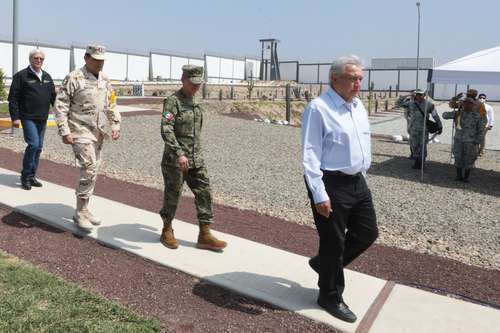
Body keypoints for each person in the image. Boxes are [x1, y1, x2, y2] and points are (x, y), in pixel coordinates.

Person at [301, 55, 378, 323]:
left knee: (368, 233)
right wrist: (319, 194)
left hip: (357, 181)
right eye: (352, 78)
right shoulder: (319, 108)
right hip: (331, 182)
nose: (358, 83)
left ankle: (324, 265)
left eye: (360, 78)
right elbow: (310, 154)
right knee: (334, 243)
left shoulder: (358, 107)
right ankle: (330, 295)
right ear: (335, 79)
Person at [159, 64, 227, 252]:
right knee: (173, 195)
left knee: (204, 192)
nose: (196, 87)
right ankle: (166, 230)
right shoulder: (173, 101)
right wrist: (180, 153)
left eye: (198, 84)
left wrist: (193, 153)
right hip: (176, 160)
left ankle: (205, 234)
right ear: (183, 80)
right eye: (192, 83)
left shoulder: (196, 102)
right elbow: (166, 129)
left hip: (196, 159)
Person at [54, 44, 121, 231]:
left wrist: (115, 124)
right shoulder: (74, 77)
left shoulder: (105, 79)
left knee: (94, 169)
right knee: (89, 167)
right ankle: (80, 211)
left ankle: (84, 207)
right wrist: (64, 131)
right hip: (79, 130)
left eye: (102, 61)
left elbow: (112, 103)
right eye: (96, 60)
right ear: (86, 58)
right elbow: (60, 105)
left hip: (98, 132)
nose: (100, 64)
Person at [8, 49, 56, 190]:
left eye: (41, 58)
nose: (39, 60)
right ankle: (25, 176)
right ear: (31, 59)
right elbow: (13, 98)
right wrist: (15, 118)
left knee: (39, 148)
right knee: (33, 145)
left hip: (42, 117)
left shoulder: (47, 77)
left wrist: (62, 114)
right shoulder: (21, 76)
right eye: (36, 58)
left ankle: (32, 176)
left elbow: (54, 97)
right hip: (27, 117)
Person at [442, 97, 483, 182]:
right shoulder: (458, 114)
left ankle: (466, 177)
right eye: (465, 103)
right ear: (462, 104)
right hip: (458, 141)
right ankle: (459, 176)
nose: (467, 105)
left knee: (470, 159)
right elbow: (444, 115)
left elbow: (480, 130)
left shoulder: (477, 116)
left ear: (473, 105)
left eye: (469, 103)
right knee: (458, 157)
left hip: (470, 142)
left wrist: (477, 141)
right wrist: (455, 111)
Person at [406, 89, 442, 169]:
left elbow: (435, 115)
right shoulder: (411, 103)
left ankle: (422, 163)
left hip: (423, 130)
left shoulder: (429, 105)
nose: (419, 96)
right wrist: (407, 96)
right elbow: (398, 103)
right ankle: (416, 162)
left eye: (420, 94)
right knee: (414, 146)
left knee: (422, 147)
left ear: (424, 95)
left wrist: (439, 125)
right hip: (413, 130)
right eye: (417, 94)